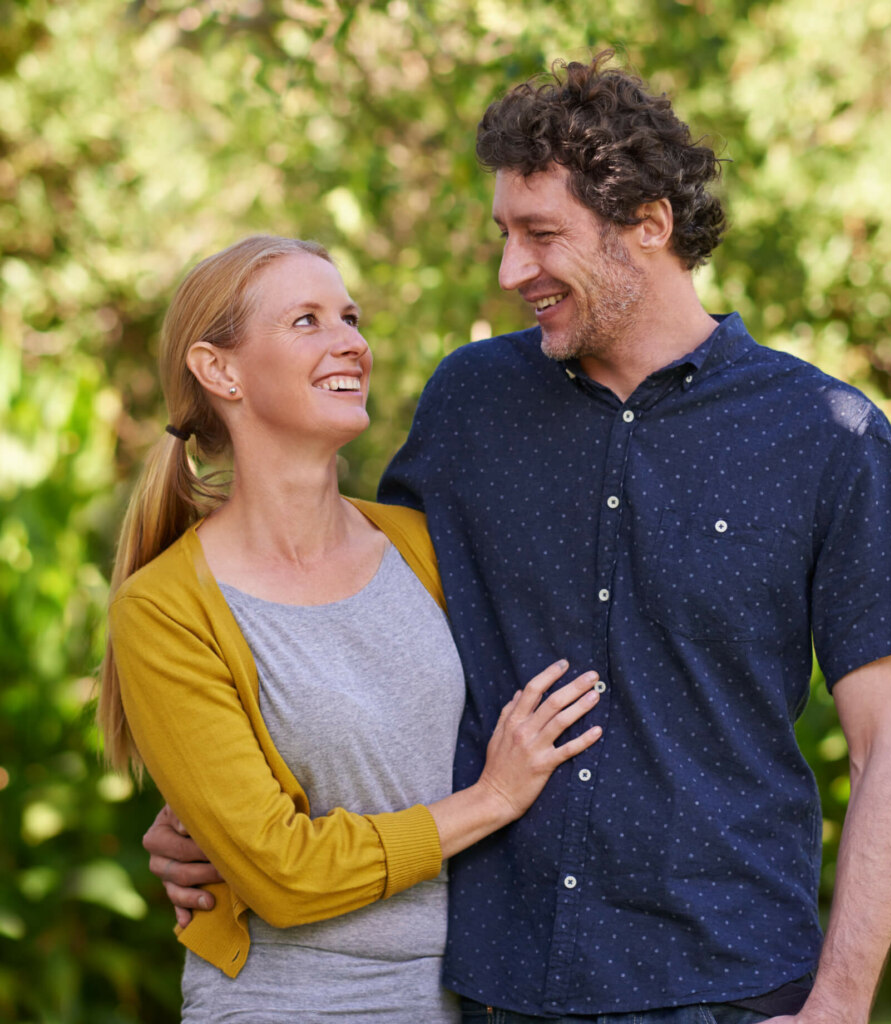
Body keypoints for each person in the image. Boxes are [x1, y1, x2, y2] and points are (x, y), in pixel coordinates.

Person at [148, 55, 891, 1024]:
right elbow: (351, 620)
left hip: (730, 986)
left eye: (540, 235)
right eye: (502, 234)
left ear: (647, 225)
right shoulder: (469, 402)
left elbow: (888, 749)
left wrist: (840, 1002)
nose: (508, 271)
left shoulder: (826, 436)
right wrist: (221, 818)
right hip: (495, 985)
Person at [100, 234, 603, 1023]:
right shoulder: (165, 611)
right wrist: (491, 798)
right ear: (218, 369)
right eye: (306, 320)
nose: (351, 342)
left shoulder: (423, 546)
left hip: (477, 996)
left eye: (350, 316)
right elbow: (280, 874)